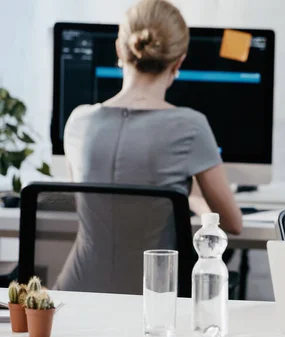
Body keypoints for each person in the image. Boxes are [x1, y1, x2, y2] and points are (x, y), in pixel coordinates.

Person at [58, 0, 242, 293]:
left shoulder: (78, 121)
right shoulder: (190, 126)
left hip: (75, 297)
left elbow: (91, 204)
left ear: (120, 49)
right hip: (152, 302)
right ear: (179, 61)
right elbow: (232, 223)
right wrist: (192, 195)